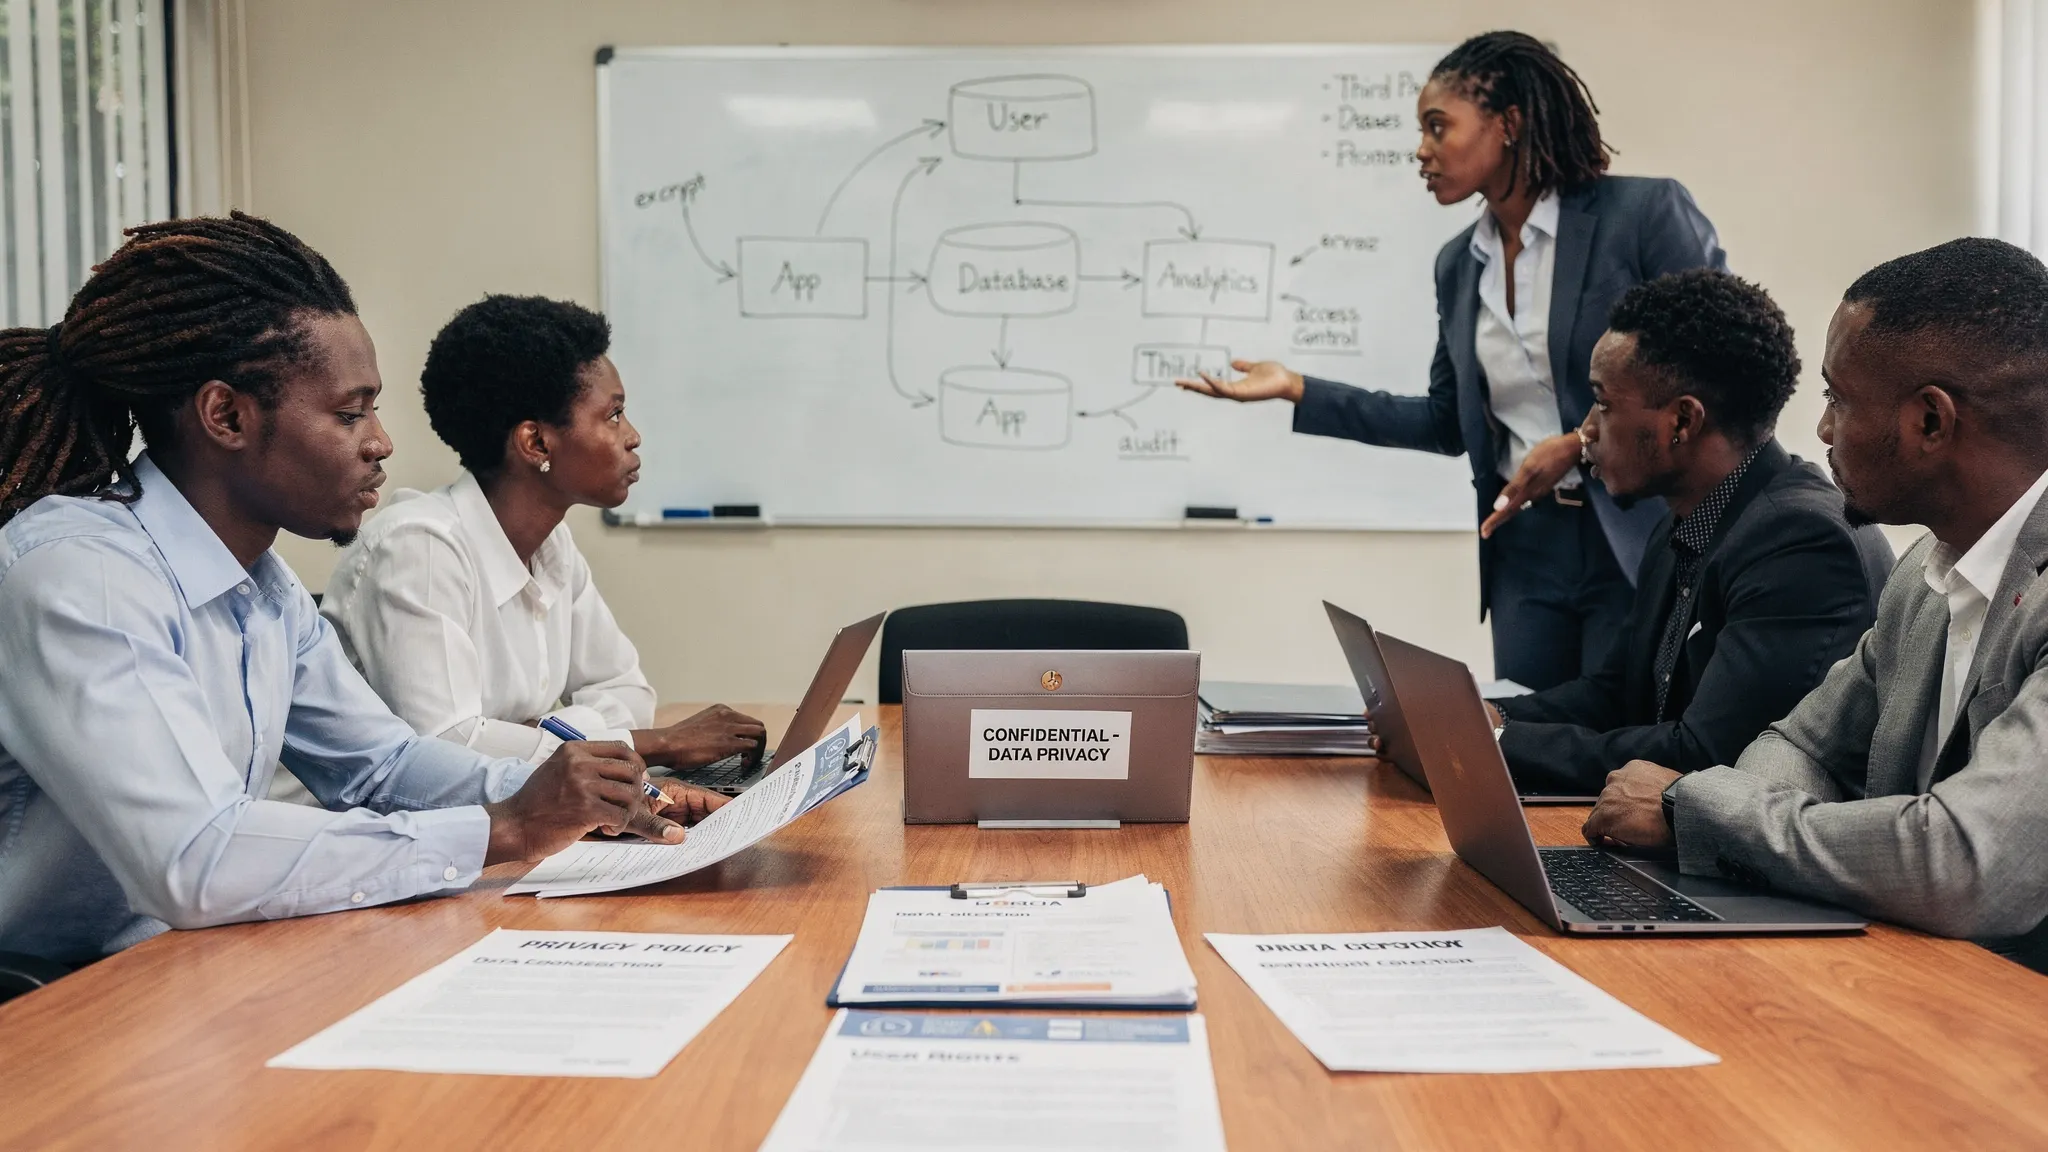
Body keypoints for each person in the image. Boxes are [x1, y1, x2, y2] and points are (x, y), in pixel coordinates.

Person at [0, 214, 722, 965]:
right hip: (50, 1001)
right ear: (227, 416)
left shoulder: (265, 589)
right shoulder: (83, 576)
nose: (381, 442)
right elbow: (196, 856)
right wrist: (504, 826)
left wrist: (592, 801)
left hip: (189, 965)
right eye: (350, 414)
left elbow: (382, 766)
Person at [1177, 31, 1725, 690]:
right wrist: (1297, 388)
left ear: (1508, 124)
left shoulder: (1639, 215)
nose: (1422, 150)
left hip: (1639, 537)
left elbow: (1715, 355)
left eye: (1438, 128)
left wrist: (1581, 442)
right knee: (1530, 756)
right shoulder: (1460, 265)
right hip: (1525, 550)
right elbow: (1445, 423)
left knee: (1623, 752)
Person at [1583, 238, 2048, 970]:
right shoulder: (1922, 578)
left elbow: (1968, 862)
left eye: (1838, 398)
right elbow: (1798, 745)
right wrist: (1740, 825)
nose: (1824, 430)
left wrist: (1697, 813)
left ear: (1930, 421)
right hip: (1914, 990)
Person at [1485, 270, 1892, 796]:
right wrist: (1482, 718)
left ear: (1682, 421)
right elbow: (1616, 694)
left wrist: (1495, 742)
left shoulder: (1802, 542)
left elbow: (1709, 758)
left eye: (1604, 404)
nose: (1585, 430)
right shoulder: (1688, 521)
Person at [319, 295, 766, 772]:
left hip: (494, 821)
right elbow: (448, 750)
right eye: (613, 415)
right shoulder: (418, 546)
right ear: (536, 443)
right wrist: (646, 744)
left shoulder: (552, 547)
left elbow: (628, 692)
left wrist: (534, 735)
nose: (632, 435)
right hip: (354, 834)